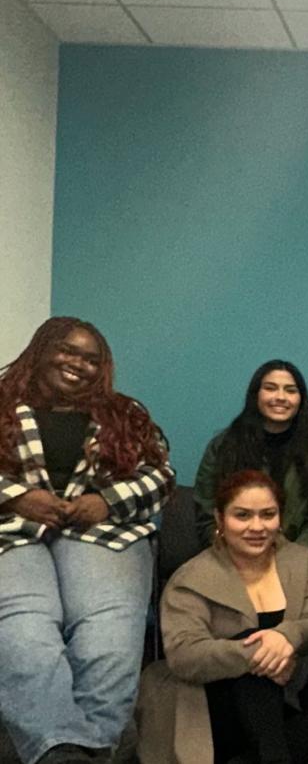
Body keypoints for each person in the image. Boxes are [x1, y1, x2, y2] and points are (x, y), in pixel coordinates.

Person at [0, 317, 174, 764]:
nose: (79, 364)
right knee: (25, 626)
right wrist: (18, 497)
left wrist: (106, 500)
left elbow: (161, 476)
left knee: (109, 634)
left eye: (91, 359)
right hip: (9, 531)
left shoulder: (125, 414)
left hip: (104, 530)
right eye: (68, 351)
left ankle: (91, 750)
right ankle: (59, 749)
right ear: (40, 351)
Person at [137, 469, 308, 764]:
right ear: (219, 519)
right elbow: (184, 654)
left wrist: (287, 636)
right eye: (242, 515)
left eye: (268, 514)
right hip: (206, 708)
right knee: (252, 651)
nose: (257, 526)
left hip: (281, 706)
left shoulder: (304, 563)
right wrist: (258, 653)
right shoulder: (191, 578)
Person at [194, 360, 308, 559]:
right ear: (256, 395)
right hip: (232, 558)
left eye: (290, 390)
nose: (280, 397)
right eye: (270, 388)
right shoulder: (224, 447)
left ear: (301, 400)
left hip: (299, 561)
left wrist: (291, 558)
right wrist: (235, 551)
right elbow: (206, 513)